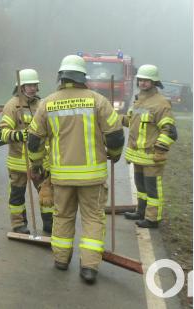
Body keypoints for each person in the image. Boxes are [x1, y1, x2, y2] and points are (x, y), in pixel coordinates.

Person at [26, 55, 124, 284]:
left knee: (62, 216)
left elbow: (33, 140)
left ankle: (61, 260)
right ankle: (89, 268)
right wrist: (115, 154)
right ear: (82, 77)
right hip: (93, 178)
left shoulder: (47, 103)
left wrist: (37, 164)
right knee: (92, 219)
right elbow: (116, 134)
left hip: (61, 177)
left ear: (61, 76)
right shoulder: (98, 101)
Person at [0, 69, 54, 235]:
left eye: (35, 85)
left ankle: (49, 224)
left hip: (40, 163)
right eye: (29, 85)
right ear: (21, 86)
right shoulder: (12, 106)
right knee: (17, 197)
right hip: (18, 163)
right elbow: (2, 133)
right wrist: (19, 135)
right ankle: (18, 225)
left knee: (47, 195)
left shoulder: (41, 105)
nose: (33, 88)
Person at [122, 64, 178, 229]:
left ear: (154, 82)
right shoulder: (139, 100)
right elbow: (131, 121)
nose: (143, 83)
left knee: (152, 189)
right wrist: (116, 118)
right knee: (141, 187)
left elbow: (169, 131)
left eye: (147, 80)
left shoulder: (161, 103)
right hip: (138, 155)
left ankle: (152, 219)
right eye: (141, 80)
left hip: (152, 156)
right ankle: (141, 211)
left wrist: (160, 149)